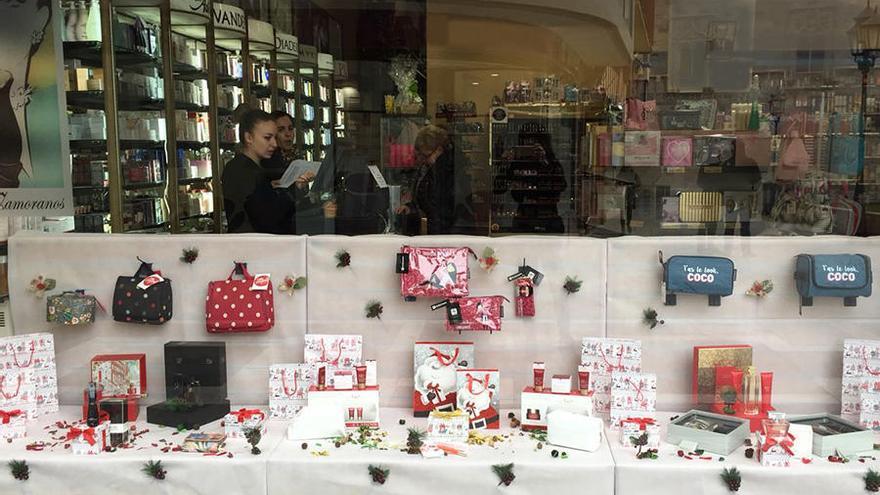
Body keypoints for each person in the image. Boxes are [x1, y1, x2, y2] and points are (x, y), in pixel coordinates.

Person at [221, 109, 297, 234]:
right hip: (254, 246)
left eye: (274, 137)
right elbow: (267, 218)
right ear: (249, 137)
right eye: (267, 138)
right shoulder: (242, 170)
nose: (274, 144)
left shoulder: (251, 168)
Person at [397, 125, 472, 234]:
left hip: (445, 233)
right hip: (439, 231)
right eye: (421, 156)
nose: (424, 160)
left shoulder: (447, 171)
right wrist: (411, 208)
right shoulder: (432, 170)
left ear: (439, 150)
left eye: (427, 156)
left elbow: (443, 209)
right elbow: (428, 201)